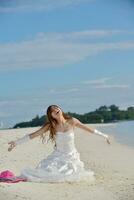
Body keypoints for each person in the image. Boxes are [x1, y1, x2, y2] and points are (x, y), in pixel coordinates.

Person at [8, 105, 111, 183]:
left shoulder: (72, 121)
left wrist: (104, 136)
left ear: (60, 109)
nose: (56, 110)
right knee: (45, 173)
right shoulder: (51, 125)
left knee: (69, 173)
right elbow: (34, 134)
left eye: (56, 108)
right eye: (53, 111)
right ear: (51, 115)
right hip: (57, 156)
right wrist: (17, 142)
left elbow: (89, 129)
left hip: (71, 156)